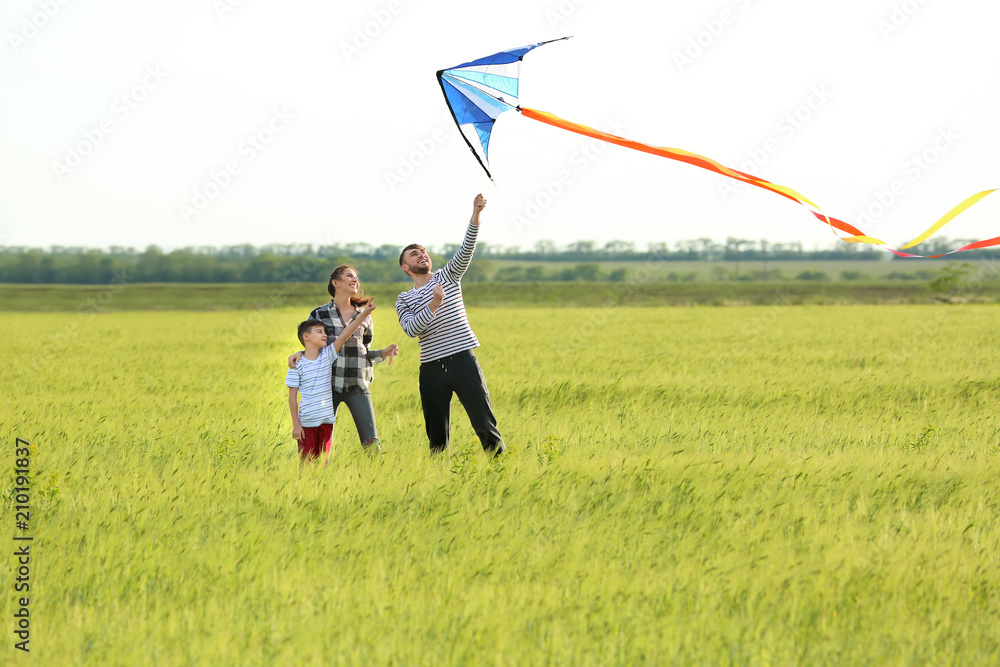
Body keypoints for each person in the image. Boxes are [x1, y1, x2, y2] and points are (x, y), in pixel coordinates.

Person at [395, 193, 505, 456]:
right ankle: (438, 479)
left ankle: (500, 470)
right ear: (405, 267)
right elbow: (411, 329)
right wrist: (434, 304)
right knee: (436, 434)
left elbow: (466, 247)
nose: (421, 254)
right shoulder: (404, 299)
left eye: (423, 251)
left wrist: (476, 213)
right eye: (414, 254)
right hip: (431, 368)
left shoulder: (449, 276)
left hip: (463, 362)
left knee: (484, 422)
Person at [288, 265, 398, 452]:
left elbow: (364, 352)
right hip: (326, 387)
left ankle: (377, 474)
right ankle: (317, 479)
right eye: (349, 276)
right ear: (335, 282)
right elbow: (312, 346)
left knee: (371, 443)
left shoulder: (365, 316)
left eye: (356, 277)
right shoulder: (319, 314)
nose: (355, 280)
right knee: (321, 446)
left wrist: (383, 353)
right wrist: (299, 353)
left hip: (358, 385)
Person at [286, 302, 375, 462]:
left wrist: (364, 313)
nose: (325, 335)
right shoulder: (297, 365)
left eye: (325, 332)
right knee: (307, 463)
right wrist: (296, 425)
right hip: (306, 424)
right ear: (306, 337)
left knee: (322, 464)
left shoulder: (328, 355)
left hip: (327, 421)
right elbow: (292, 397)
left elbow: (346, 333)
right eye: (319, 332)